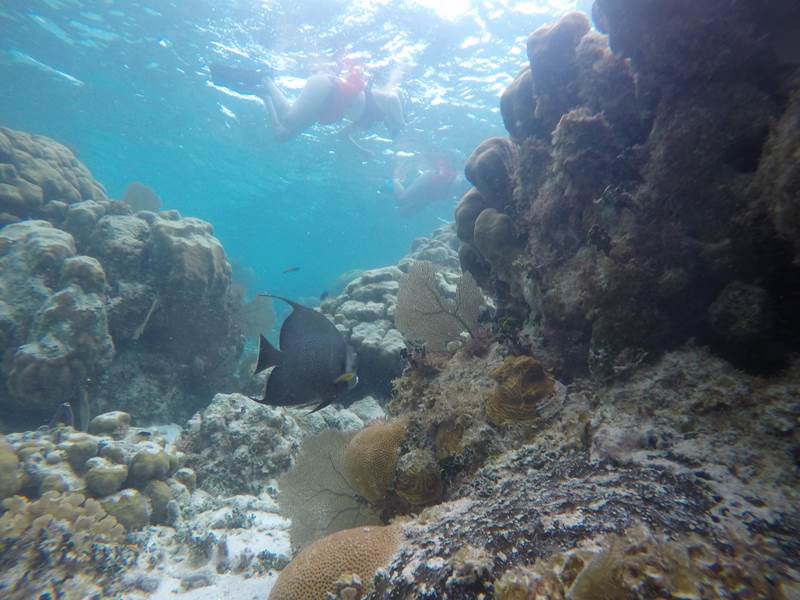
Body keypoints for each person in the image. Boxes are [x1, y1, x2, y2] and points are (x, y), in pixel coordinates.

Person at [209, 63, 406, 145]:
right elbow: (393, 98)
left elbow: (343, 134)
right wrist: (401, 123)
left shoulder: (368, 121)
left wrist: (360, 150)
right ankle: (266, 78)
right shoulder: (383, 100)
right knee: (289, 117)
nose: (389, 127)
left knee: (283, 135)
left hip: (325, 104)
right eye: (391, 125)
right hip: (328, 87)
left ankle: (265, 96)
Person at [392, 159, 459, 216]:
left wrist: (395, 178)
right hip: (429, 192)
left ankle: (395, 177)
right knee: (404, 204)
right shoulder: (430, 176)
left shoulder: (430, 175)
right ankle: (395, 177)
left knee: (404, 206)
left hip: (429, 193)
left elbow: (403, 198)